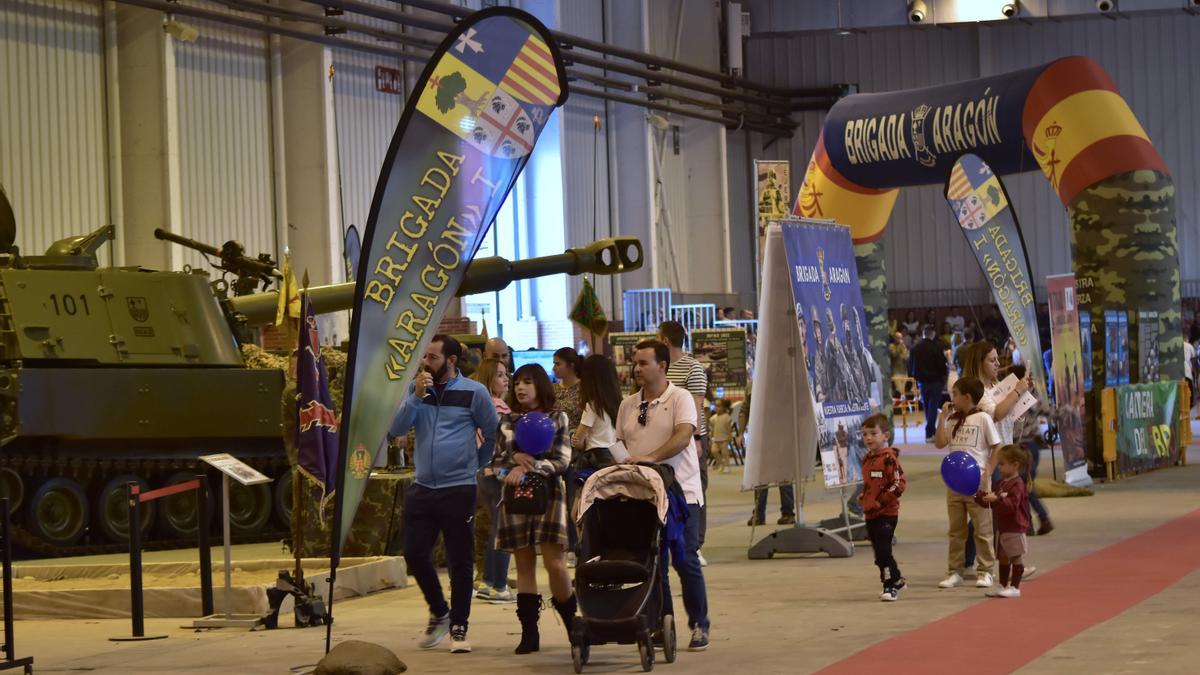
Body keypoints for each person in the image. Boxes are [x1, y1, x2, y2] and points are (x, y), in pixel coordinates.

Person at [389, 335, 499, 654]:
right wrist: (416, 397)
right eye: (425, 357)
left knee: (460, 559)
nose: (426, 363)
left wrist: (474, 466)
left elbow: (490, 433)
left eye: (433, 358)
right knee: (414, 553)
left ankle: (459, 626)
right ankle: (439, 611)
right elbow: (396, 430)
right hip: (422, 486)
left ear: (451, 361)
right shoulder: (416, 391)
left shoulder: (474, 392)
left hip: (458, 487)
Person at [614, 339, 711, 651]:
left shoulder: (680, 398)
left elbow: (684, 435)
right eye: (636, 362)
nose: (637, 368)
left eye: (643, 363)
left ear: (662, 366)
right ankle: (661, 624)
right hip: (642, 494)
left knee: (685, 560)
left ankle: (699, 624)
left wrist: (652, 458)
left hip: (681, 492)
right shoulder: (627, 404)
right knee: (653, 563)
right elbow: (618, 444)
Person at [490, 364, 574, 654]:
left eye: (527, 382)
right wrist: (511, 465)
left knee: (556, 565)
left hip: (549, 497)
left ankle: (573, 624)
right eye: (516, 383)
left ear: (540, 385)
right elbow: (496, 465)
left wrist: (528, 466)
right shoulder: (506, 420)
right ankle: (529, 633)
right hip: (514, 500)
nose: (520, 388)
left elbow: (562, 461)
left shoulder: (557, 418)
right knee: (524, 566)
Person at [934, 376, 1001, 590]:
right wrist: (942, 418)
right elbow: (940, 443)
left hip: (977, 482)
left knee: (982, 529)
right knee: (956, 530)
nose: (951, 398)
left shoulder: (982, 418)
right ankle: (954, 571)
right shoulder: (953, 419)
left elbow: (996, 446)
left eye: (954, 394)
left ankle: (986, 570)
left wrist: (988, 471)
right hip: (954, 482)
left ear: (967, 397)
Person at [658, 320, 711, 566]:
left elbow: (697, 406)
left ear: (666, 341)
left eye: (658, 337)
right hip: (663, 439)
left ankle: (695, 544)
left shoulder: (694, 368)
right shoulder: (661, 369)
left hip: (690, 437)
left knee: (696, 490)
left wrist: (696, 438)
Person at [471, 358, 515, 604]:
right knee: (505, 531)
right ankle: (499, 585)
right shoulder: (498, 407)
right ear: (488, 380)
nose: (506, 379)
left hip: (481, 472)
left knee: (495, 529)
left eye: (506, 374)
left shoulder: (477, 405)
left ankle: (488, 582)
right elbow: (501, 444)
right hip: (497, 472)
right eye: (499, 375)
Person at [858, 413, 907, 601]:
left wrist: (882, 501)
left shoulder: (889, 458)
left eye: (873, 433)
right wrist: (865, 496)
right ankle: (897, 579)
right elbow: (870, 483)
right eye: (864, 434)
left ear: (885, 435)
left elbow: (899, 483)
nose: (868, 438)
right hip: (870, 513)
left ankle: (889, 587)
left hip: (887, 513)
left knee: (884, 550)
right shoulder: (867, 459)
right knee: (879, 554)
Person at [976, 445, 1031, 598]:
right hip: (1002, 527)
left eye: (1002, 464)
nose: (999, 467)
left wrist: (998, 498)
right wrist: (979, 497)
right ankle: (1002, 584)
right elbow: (992, 503)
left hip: (1015, 527)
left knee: (1015, 557)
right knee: (1003, 557)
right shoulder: (1001, 483)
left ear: (1015, 465)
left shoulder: (1018, 485)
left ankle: (1015, 587)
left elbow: (1012, 505)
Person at [552, 347, 583, 563]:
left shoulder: (584, 389)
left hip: (577, 451)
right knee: (557, 499)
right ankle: (561, 542)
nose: (554, 368)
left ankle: (575, 545)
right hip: (555, 449)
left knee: (574, 497)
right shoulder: (553, 389)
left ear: (570, 365)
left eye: (558, 364)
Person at [910, 325, 950, 442]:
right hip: (935, 381)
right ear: (932, 334)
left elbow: (910, 365)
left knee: (927, 407)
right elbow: (942, 365)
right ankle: (929, 432)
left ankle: (931, 431)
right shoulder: (936, 347)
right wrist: (944, 378)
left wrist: (915, 378)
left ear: (923, 334)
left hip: (921, 382)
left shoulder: (915, 348)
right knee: (932, 406)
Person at [709, 399, 733, 473]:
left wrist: (730, 436)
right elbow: (713, 427)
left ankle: (727, 466)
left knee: (724, 453)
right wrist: (711, 433)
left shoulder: (727, 417)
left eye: (719, 406)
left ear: (724, 408)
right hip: (716, 438)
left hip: (724, 439)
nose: (716, 408)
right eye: (715, 406)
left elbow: (729, 428)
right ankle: (721, 463)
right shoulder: (714, 417)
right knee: (714, 451)